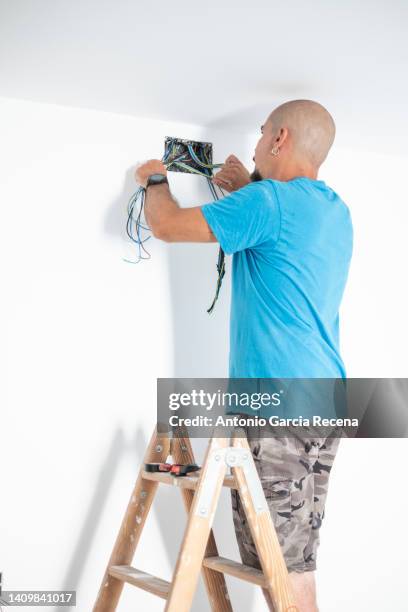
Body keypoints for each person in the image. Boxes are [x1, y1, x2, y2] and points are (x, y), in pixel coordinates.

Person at [135, 99, 353, 611]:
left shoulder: (269, 203)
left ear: (279, 139)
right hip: (327, 402)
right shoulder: (334, 210)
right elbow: (283, 238)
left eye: (260, 135)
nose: (254, 146)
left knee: (275, 562)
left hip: (276, 403)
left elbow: (166, 226)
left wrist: (154, 179)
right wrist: (250, 188)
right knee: (295, 558)